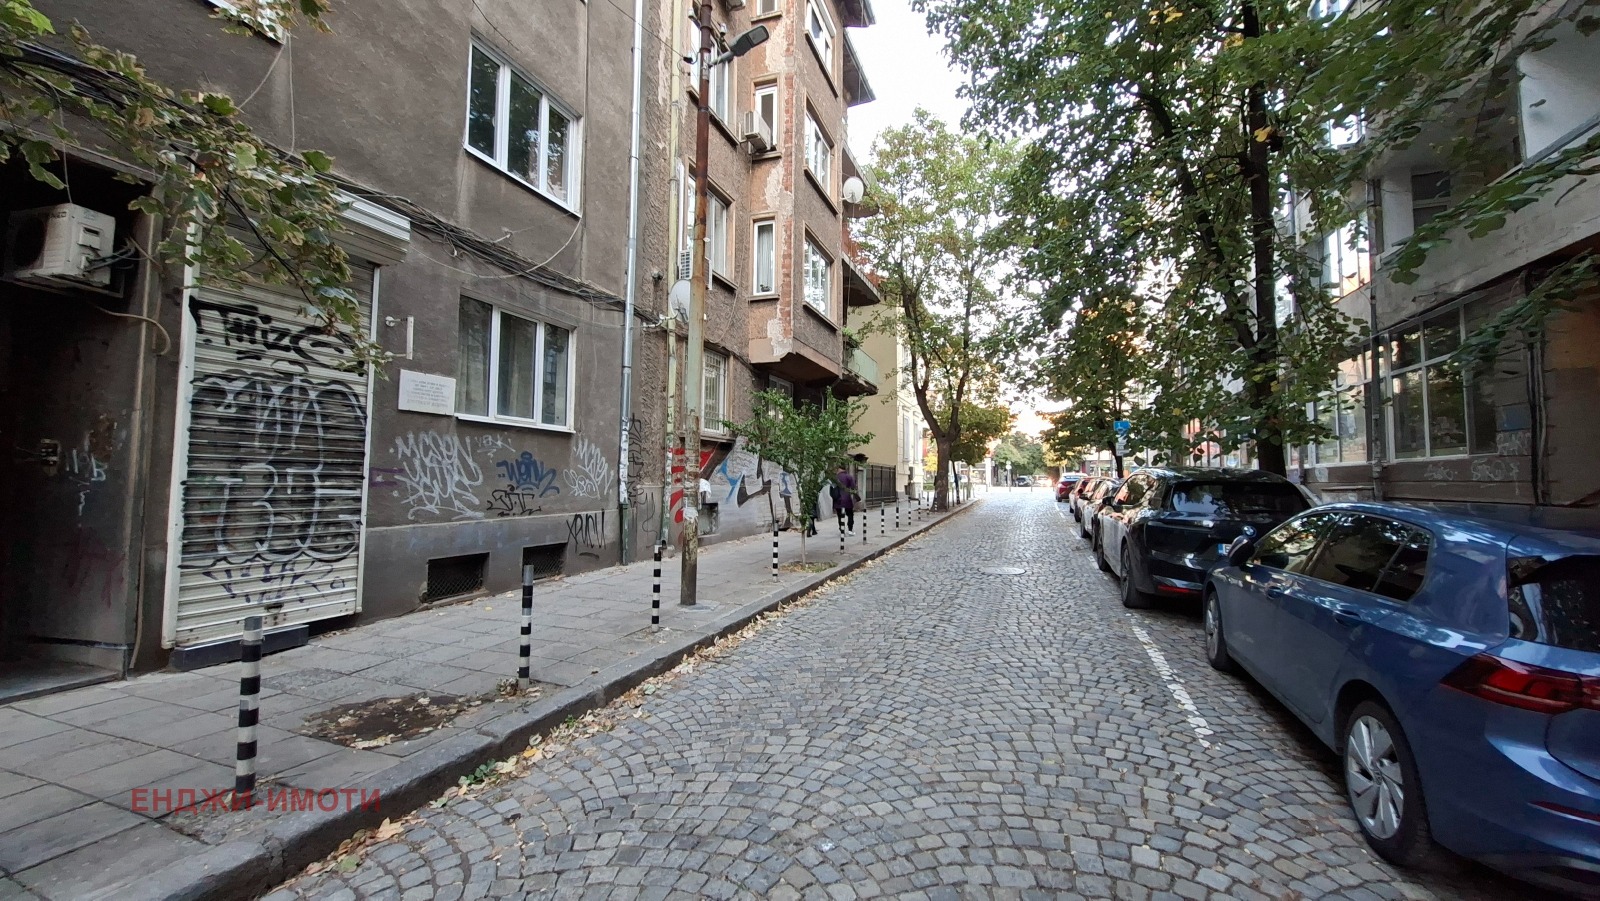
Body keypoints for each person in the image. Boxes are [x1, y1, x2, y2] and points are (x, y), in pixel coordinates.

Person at [832, 465, 859, 536]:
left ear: (839, 469)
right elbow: (853, 488)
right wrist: (856, 497)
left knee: (840, 516)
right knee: (850, 515)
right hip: (847, 500)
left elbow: (832, 489)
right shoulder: (849, 477)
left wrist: (834, 497)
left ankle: (842, 530)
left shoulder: (835, 478)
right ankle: (850, 530)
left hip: (838, 500)